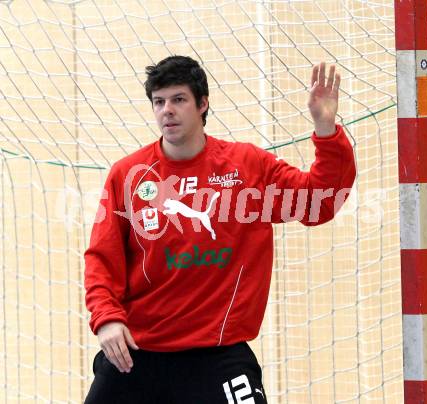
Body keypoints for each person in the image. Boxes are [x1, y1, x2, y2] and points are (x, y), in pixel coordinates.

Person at [84, 55, 356, 403]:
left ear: (202, 104)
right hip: (137, 351)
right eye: (159, 101)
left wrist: (325, 129)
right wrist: (106, 319)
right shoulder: (128, 174)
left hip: (218, 353)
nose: (167, 110)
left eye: (178, 99)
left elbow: (319, 203)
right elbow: (101, 259)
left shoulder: (248, 167)